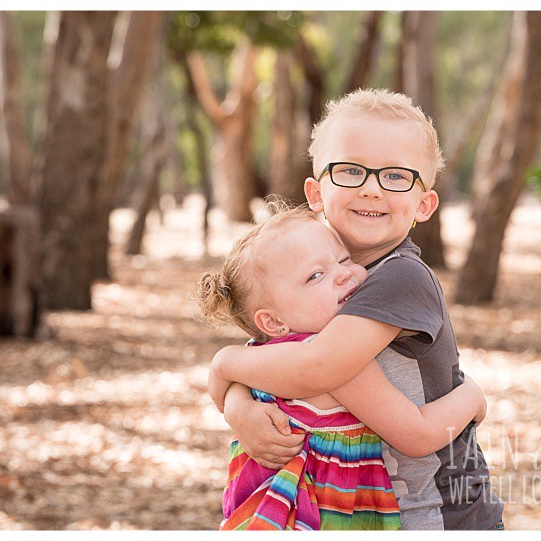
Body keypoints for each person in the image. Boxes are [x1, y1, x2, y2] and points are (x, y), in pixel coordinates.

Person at [208, 89, 505, 530]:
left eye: (396, 176)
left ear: (424, 204)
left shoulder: (402, 277)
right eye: (350, 170)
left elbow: (317, 367)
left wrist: (225, 364)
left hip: (434, 512)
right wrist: (238, 406)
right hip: (353, 509)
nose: (370, 188)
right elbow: (280, 358)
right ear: (315, 191)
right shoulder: (308, 275)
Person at [197, 203, 487, 530]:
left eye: (343, 258)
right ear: (273, 321)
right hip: (323, 518)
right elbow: (417, 434)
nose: (343, 273)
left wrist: (235, 400)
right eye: (316, 275)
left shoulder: (259, 356)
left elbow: (225, 383)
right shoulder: (335, 364)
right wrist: (473, 396)